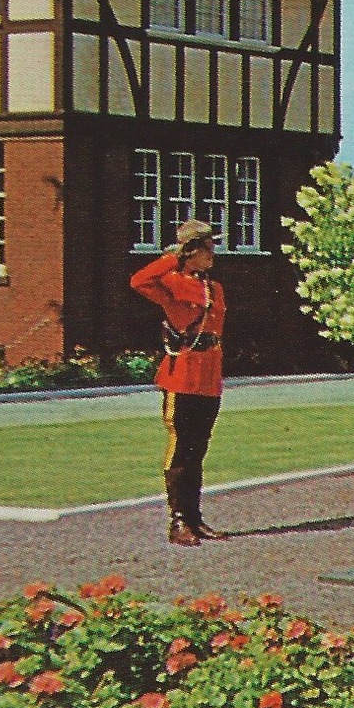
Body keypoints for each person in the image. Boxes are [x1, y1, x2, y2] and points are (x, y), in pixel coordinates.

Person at [130, 219, 230, 547]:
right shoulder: (172, 282)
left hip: (208, 374)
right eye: (207, 248)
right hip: (183, 373)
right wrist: (175, 257)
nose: (213, 253)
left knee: (198, 448)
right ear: (193, 251)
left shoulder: (214, 288)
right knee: (180, 448)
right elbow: (139, 280)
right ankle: (178, 521)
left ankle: (195, 517)